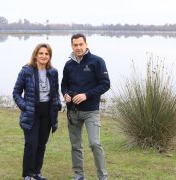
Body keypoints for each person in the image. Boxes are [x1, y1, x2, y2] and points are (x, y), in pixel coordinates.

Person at [61, 33, 110, 180]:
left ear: (86, 44)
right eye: (75, 45)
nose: (78, 47)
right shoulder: (68, 64)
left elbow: (106, 84)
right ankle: (79, 175)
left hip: (91, 111)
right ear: (72, 46)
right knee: (76, 146)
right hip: (73, 112)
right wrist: (65, 94)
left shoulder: (97, 61)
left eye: (80, 44)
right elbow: (64, 84)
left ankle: (103, 176)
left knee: (95, 144)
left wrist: (86, 95)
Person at [13, 43, 62, 180]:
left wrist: (57, 103)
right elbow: (16, 93)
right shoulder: (26, 71)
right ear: (35, 55)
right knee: (31, 144)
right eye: (41, 53)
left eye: (47, 54)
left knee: (41, 144)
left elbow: (55, 92)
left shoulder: (53, 72)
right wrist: (25, 106)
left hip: (47, 113)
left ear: (49, 56)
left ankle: (36, 172)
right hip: (31, 113)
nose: (43, 56)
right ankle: (27, 174)